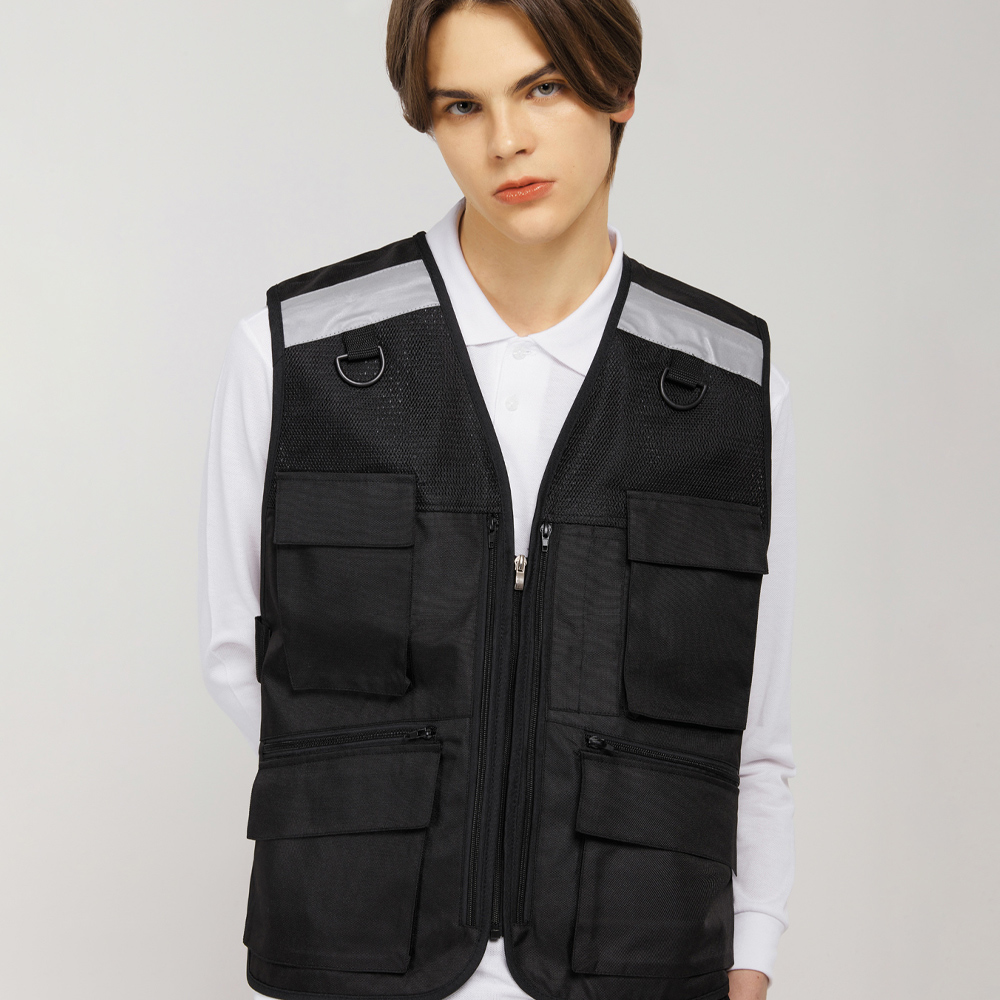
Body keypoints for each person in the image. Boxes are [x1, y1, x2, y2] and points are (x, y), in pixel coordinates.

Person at [198, 2, 796, 999]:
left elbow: (754, 723)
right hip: (360, 961)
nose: (506, 140)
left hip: (636, 964)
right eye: (462, 106)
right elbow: (239, 656)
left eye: (543, 88)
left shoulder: (731, 388)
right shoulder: (295, 354)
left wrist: (752, 954)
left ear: (617, 90)